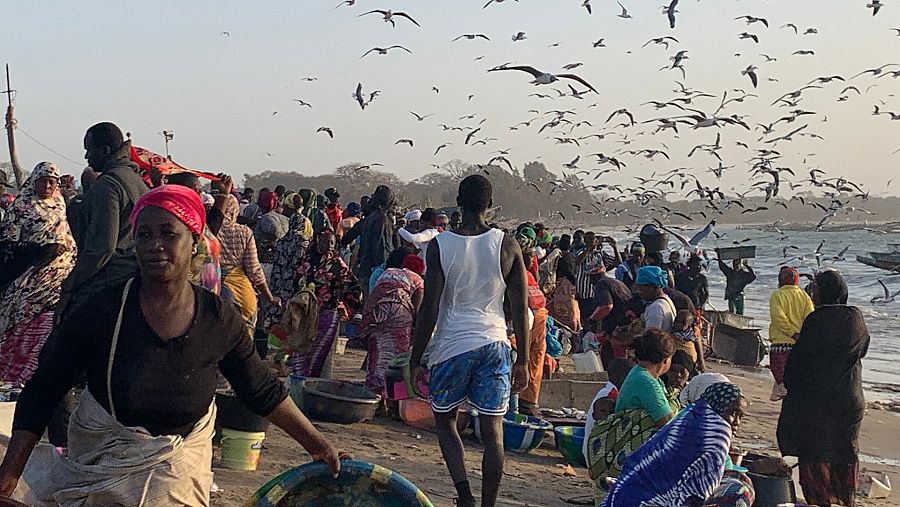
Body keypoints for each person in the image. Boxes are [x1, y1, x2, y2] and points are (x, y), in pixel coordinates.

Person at [0, 185, 344, 505]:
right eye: (144, 235)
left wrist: (319, 445)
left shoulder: (218, 318)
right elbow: (44, 389)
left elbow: (261, 390)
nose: (155, 245)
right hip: (102, 464)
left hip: (179, 469)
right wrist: (10, 474)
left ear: (194, 239)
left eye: (169, 233)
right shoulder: (103, 310)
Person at [410, 175, 530, 507]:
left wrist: (416, 356)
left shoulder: (440, 245)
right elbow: (520, 307)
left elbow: (430, 307)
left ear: (458, 202)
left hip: (452, 345)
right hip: (495, 342)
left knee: (446, 420)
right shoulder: (507, 244)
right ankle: (488, 504)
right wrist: (523, 360)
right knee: (493, 431)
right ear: (489, 205)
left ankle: (464, 494)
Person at [778, 270, 870, 506]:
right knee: (845, 452)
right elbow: (863, 349)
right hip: (850, 399)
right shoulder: (856, 317)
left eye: (816, 290)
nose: (813, 294)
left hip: (817, 402)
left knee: (816, 455)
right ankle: (845, 499)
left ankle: (821, 502)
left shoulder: (818, 319)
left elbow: (799, 362)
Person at [602, 383, 753, 507]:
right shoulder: (716, 433)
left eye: (741, 416)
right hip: (651, 502)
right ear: (718, 406)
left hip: (622, 495)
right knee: (740, 492)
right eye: (733, 413)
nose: (736, 422)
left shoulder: (689, 416)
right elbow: (698, 493)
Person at [59, 122, 148, 319]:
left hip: (110, 279)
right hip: (134, 276)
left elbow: (102, 248)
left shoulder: (108, 185)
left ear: (105, 150)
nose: (86, 157)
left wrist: (70, 285)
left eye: (89, 150)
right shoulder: (136, 180)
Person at [0, 163, 77, 385]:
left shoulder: (61, 204)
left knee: (49, 325)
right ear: (34, 182)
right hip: (30, 280)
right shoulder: (21, 207)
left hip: (58, 281)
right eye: (43, 181)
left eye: (52, 181)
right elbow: (9, 246)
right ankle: (13, 375)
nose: (47, 185)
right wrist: (41, 252)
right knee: (22, 326)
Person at [587, 329, 676, 502]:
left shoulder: (640, 373)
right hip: (629, 449)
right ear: (665, 360)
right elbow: (667, 422)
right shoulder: (646, 381)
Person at [290, 229, 361, 378]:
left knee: (318, 356)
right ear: (317, 240)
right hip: (305, 314)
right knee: (300, 353)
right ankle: (299, 387)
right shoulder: (307, 260)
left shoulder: (337, 264)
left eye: (332, 243)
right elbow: (294, 281)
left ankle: (311, 388)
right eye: (325, 241)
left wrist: (343, 304)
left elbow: (352, 285)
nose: (329, 245)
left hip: (327, 315)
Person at [361, 253, 425, 397]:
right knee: (396, 358)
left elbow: (376, 294)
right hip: (399, 317)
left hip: (377, 313)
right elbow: (418, 308)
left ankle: (372, 394)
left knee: (376, 352)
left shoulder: (388, 272)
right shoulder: (418, 280)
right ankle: (390, 398)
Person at [218, 195, 280, 330]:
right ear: (235, 211)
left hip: (210, 286)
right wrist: (270, 298)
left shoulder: (206, 231)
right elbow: (254, 269)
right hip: (239, 289)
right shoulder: (244, 232)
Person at [768, 266, 815, 401]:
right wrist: (802, 335)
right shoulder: (804, 296)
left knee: (783, 382)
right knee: (795, 381)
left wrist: (792, 333)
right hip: (799, 345)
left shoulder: (777, 295)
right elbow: (810, 318)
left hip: (781, 345)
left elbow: (778, 318)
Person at [517, 238, 549, 417]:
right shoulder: (517, 274)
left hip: (539, 321)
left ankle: (529, 401)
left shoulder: (529, 274)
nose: (532, 260)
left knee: (536, 362)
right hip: (527, 322)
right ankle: (520, 402)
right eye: (529, 257)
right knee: (523, 359)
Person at [265, 212, 314, 328]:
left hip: (277, 280)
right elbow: (300, 264)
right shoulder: (303, 243)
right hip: (292, 282)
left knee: (276, 308)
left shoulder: (282, 241)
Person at [587, 259, 633, 369]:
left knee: (616, 360)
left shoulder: (601, 284)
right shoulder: (616, 282)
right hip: (628, 325)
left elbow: (606, 306)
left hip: (617, 327)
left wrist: (592, 319)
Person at [353, 185, 397, 296]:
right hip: (376, 271)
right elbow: (382, 249)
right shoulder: (382, 219)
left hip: (366, 268)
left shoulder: (372, 217)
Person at [547, 243, 581, 334]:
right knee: (572, 312)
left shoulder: (561, 259)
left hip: (561, 288)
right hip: (568, 289)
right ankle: (574, 330)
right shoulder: (571, 257)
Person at [635, 266, 676, 332]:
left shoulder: (655, 308)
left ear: (651, 287)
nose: (638, 292)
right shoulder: (666, 299)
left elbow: (651, 338)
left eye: (640, 289)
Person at [575, 232, 604, 321]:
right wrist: (588, 248)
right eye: (590, 239)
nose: (593, 241)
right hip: (583, 289)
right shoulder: (581, 251)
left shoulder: (598, 254)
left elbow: (601, 268)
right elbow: (577, 261)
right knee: (583, 313)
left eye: (594, 239)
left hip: (594, 290)